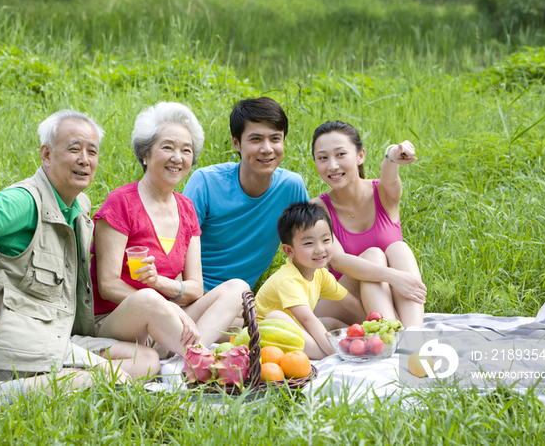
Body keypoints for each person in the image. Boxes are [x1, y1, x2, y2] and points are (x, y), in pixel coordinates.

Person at [0, 110, 159, 401]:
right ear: (46, 155)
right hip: (7, 344)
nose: (85, 159)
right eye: (74, 148)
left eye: (92, 151)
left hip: (54, 334)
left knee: (145, 359)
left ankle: (57, 381)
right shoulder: (23, 201)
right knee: (110, 377)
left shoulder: (79, 204)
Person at [90, 102, 247, 358]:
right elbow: (108, 285)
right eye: (167, 147)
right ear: (145, 154)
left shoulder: (186, 209)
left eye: (186, 150)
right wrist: (164, 303)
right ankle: (194, 355)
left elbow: (196, 287)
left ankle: (185, 359)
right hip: (120, 322)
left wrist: (159, 284)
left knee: (238, 287)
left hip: (170, 319)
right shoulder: (121, 203)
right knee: (147, 299)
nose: (178, 157)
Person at [182, 97, 309, 291]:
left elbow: (309, 246)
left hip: (239, 299)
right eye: (256, 139)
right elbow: (175, 248)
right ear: (236, 143)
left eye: (275, 139)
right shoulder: (206, 182)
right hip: (192, 291)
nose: (267, 149)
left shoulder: (291, 187)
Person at [310, 120, 426, 328]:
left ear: (360, 155)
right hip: (345, 302)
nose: (332, 165)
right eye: (323, 158)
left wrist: (393, 153)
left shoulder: (383, 194)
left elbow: (389, 174)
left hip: (387, 298)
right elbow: (338, 261)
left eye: (341, 154)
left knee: (399, 248)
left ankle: (412, 334)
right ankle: (390, 332)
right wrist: (393, 276)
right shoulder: (317, 208)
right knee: (373, 255)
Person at [255, 202, 365, 359]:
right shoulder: (289, 280)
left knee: (332, 322)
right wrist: (334, 349)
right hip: (267, 337)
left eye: (326, 240)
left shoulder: (320, 273)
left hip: (298, 331)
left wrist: (369, 324)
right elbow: (308, 319)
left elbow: (349, 302)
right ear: (289, 250)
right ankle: (334, 355)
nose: (320, 249)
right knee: (276, 317)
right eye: (309, 243)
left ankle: (356, 346)